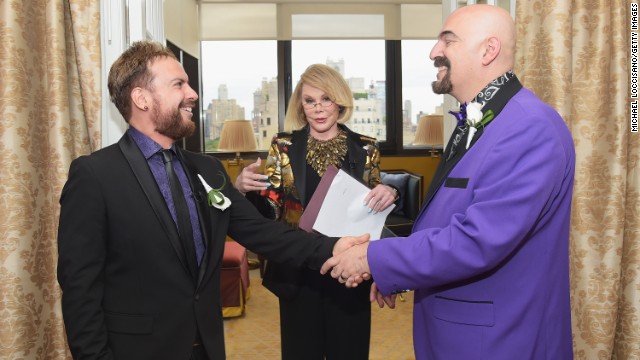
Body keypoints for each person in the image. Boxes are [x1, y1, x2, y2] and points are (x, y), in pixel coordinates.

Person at [56, 41, 367, 360]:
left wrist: (333, 247)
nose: (193, 94)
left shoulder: (208, 171)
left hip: (206, 346)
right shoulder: (95, 176)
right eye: (179, 84)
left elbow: (263, 233)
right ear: (142, 98)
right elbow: (80, 290)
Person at [321, 5, 575, 359]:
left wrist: (372, 258)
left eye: (447, 40)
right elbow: (447, 218)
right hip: (463, 332)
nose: (433, 52)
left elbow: (477, 240)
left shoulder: (529, 128)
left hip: (500, 341)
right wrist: (395, 271)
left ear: (488, 50)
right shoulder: (486, 121)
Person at [234, 63, 397, 360]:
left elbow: (373, 207)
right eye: (310, 101)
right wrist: (242, 189)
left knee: (349, 352)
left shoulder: (367, 148)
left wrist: (389, 192)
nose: (319, 109)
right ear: (301, 105)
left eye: (327, 99)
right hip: (299, 269)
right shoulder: (282, 147)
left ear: (340, 102)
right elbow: (269, 212)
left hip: (350, 272)